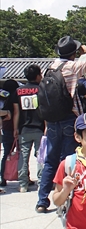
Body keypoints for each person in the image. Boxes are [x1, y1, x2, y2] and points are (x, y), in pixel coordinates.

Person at [36, 36, 86, 213]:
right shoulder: (73, 67)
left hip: (52, 121)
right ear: (74, 53)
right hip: (70, 118)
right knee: (69, 160)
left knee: (51, 161)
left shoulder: (49, 68)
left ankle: (42, 200)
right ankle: (67, 196)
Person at [13, 65, 45, 193]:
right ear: (38, 75)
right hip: (39, 128)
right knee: (41, 156)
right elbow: (44, 110)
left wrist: (15, 128)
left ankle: (23, 184)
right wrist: (47, 126)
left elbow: (16, 112)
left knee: (23, 156)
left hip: (24, 129)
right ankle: (42, 181)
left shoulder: (18, 91)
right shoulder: (41, 90)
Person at [0, 79, 19, 187]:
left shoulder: (4, 99)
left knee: (6, 153)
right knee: (21, 154)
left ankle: (3, 177)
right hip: (17, 128)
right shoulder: (16, 98)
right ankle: (23, 176)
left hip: (6, 128)